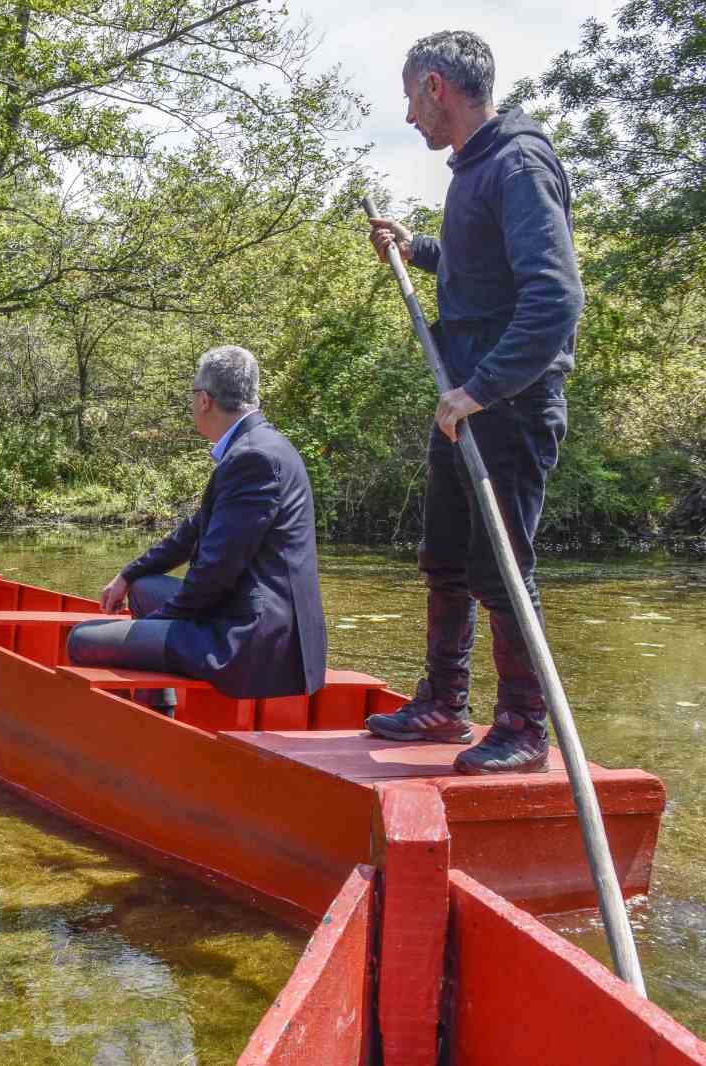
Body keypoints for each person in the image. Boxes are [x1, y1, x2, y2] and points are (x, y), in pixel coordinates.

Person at [365, 31, 583, 774]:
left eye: (409, 101)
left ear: (435, 87)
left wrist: (481, 391)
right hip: (461, 400)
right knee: (446, 557)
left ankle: (524, 728)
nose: (409, 120)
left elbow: (554, 299)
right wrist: (416, 247)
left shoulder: (518, 163)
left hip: (506, 403)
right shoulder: (475, 169)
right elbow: (478, 268)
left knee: (502, 569)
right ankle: (443, 705)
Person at [67, 345, 327, 706]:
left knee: (80, 640)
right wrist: (128, 574)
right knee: (143, 587)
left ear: (204, 400)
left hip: (251, 641)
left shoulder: (253, 457)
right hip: (248, 618)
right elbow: (194, 531)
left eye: (191, 396)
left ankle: (149, 723)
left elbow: (216, 570)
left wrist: (158, 622)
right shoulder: (261, 445)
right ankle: (158, 711)